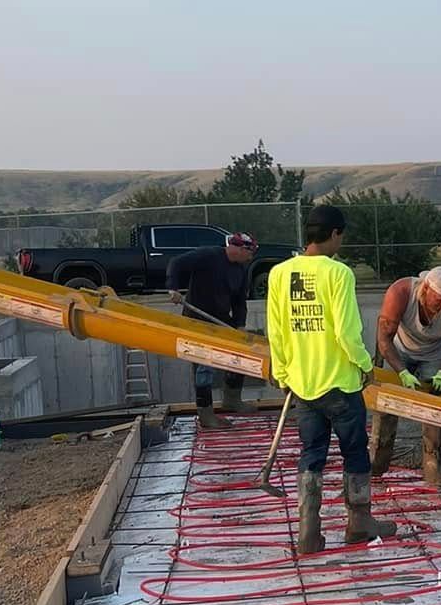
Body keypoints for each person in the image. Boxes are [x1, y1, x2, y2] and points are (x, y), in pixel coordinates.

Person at [266, 203, 397, 554]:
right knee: (354, 452)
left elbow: (275, 332)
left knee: (312, 453)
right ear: (335, 233)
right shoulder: (339, 274)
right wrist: (365, 364)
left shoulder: (280, 273)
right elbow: (346, 332)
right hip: (340, 384)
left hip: (303, 385)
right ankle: (359, 523)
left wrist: (283, 373)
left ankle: (308, 533)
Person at [369, 266, 441, 488]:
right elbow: (384, 339)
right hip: (400, 351)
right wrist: (402, 372)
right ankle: (377, 460)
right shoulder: (400, 293)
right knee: (387, 403)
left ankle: (433, 465)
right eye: (438, 299)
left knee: (434, 407)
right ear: (425, 289)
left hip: (436, 354)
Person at [167, 232, 257, 427]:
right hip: (196, 320)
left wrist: (240, 325)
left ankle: (232, 398)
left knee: (241, 354)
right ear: (240, 249)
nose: (251, 257)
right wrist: (173, 288)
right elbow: (176, 263)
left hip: (220, 319)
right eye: (250, 253)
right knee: (203, 366)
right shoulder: (208, 255)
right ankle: (206, 413)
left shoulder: (241, 270)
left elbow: (239, 301)